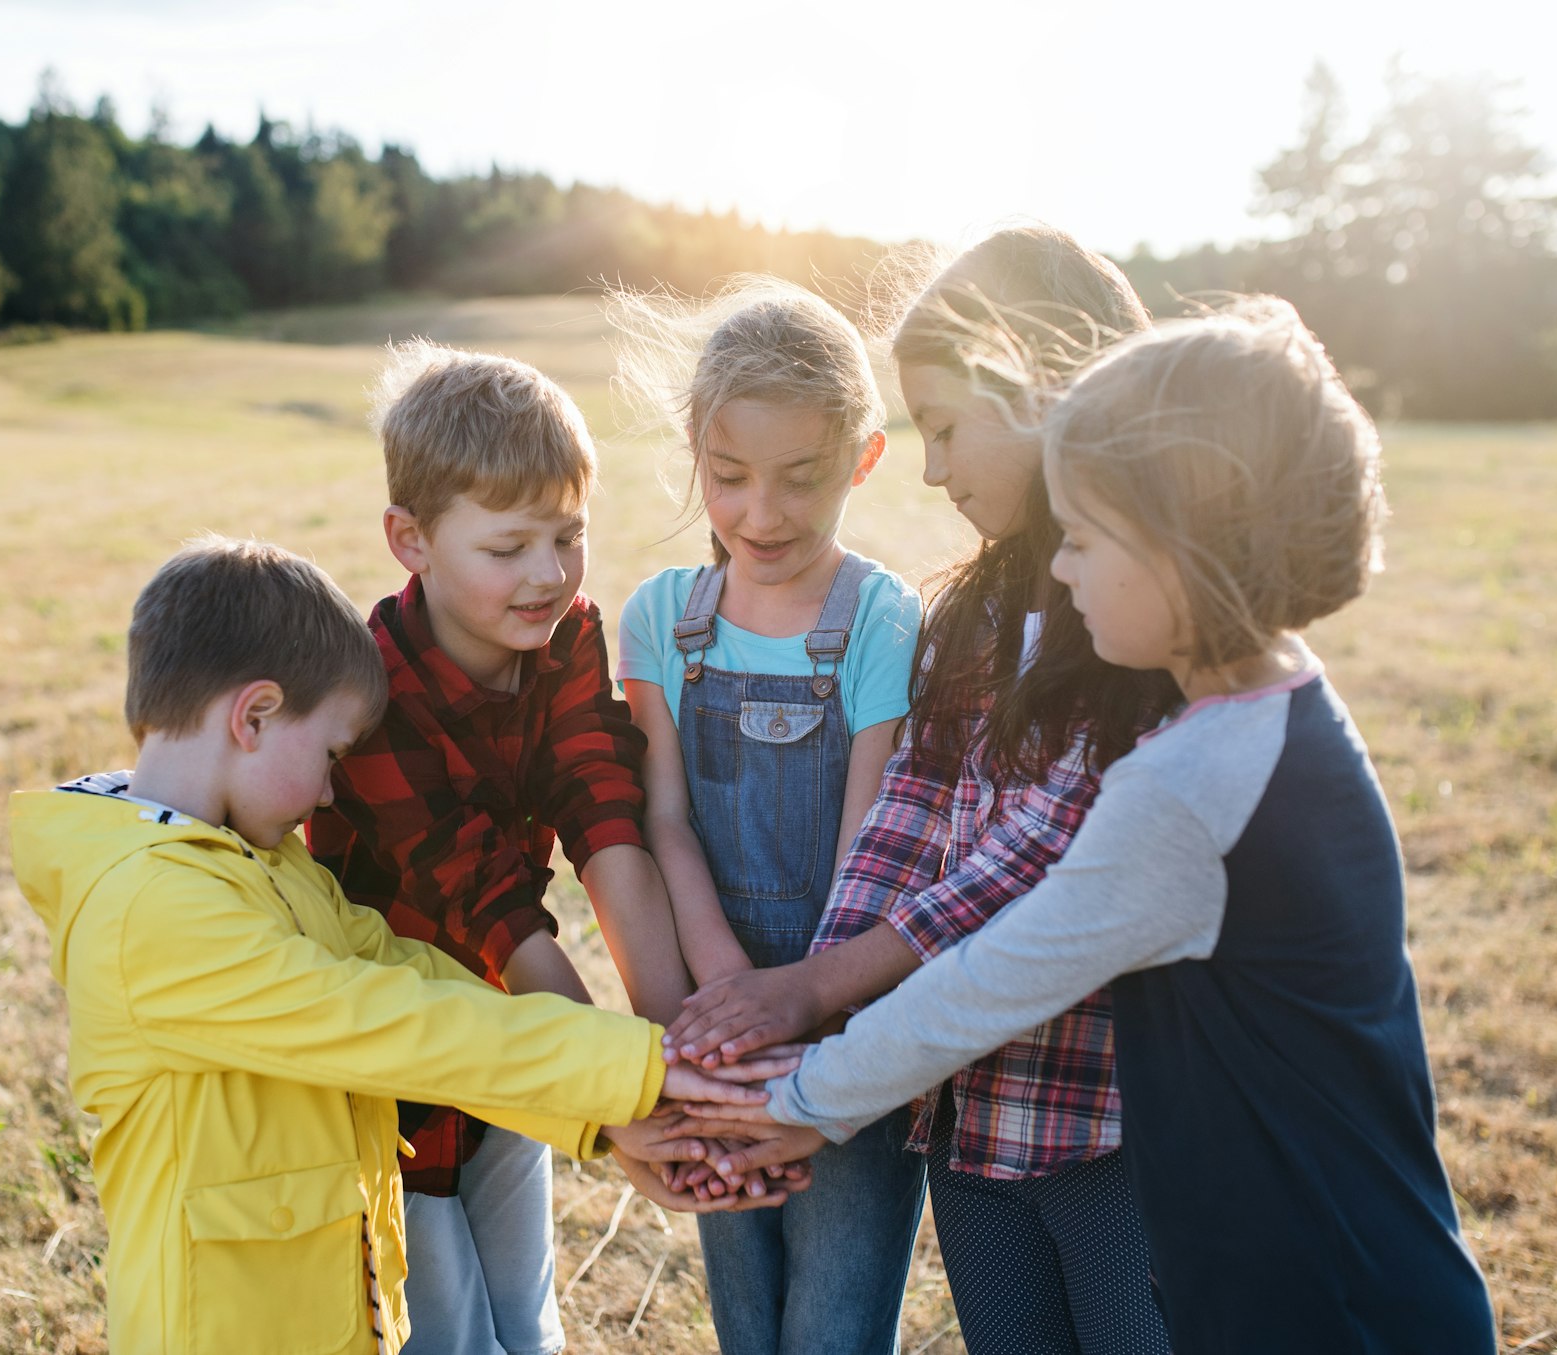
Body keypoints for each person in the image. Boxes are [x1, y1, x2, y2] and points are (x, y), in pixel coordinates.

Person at [685, 299, 1500, 1354]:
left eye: (1077, 538)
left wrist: (797, 1098)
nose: (1057, 573)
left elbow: (989, 981)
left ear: (1182, 547)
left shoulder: (1185, 788)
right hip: (1332, 1265)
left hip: (1322, 1300)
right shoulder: (1278, 711)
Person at [10, 535, 775, 1355]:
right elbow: (397, 1023)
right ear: (254, 715)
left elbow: (412, 973)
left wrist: (612, 1109)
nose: (332, 789)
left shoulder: (263, 862)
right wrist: (636, 1071)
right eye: (332, 753)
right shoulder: (152, 909)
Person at [664, 225, 1178, 1355]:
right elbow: (906, 821)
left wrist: (814, 1004)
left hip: (1111, 1121)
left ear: (1043, 388)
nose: (934, 470)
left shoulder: (1147, 613)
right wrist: (803, 1005)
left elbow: (1040, 856)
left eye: (945, 429)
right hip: (974, 1119)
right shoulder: (973, 614)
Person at [304, 344, 694, 1355]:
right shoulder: (372, 690)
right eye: (508, 545)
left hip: (513, 1043)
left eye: (568, 535)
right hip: (403, 1067)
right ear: (411, 540)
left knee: (527, 1318)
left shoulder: (566, 635)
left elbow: (601, 808)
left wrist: (669, 1047)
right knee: (451, 1333)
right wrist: (615, 1089)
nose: (548, 573)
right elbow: (486, 898)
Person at [607, 278, 926, 1355]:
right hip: (714, 1027)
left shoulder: (881, 617)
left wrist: (793, 1014)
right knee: (745, 1312)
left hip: (848, 1019)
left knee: (833, 1322)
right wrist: (724, 1008)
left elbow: (868, 841)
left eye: (801, 477)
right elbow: (666, 822)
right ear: (693, 451)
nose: (760, 514)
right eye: (728, 476)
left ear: (862, 458)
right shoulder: (659, 620)